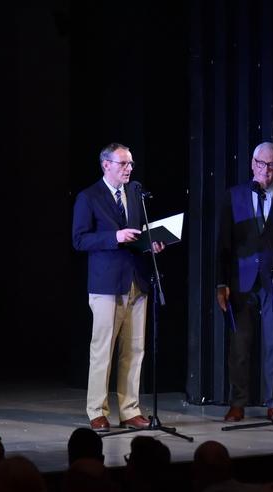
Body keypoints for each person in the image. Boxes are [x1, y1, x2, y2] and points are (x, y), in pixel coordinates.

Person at [72, 142, 164, 432]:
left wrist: (151, 243)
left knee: (135, 349)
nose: (129, 168)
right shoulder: (89, 197)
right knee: (103, 350)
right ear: (106, 165)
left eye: (131, 163)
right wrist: (115, 236)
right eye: (123, 163)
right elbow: (79, 239)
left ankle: (130, 410)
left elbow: (139, 232)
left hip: (136, 279)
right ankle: (97, 411)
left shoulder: (134, 193)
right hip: (107, 284)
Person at [216, 142, 273, 422]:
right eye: (262, 164)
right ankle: (237, 402)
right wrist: (221, 284)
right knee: (239, 344)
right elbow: (224, 244)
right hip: (240, 282)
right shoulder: (234, 196)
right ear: (253, 164)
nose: (266, 170)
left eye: (272, 165)